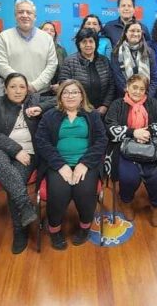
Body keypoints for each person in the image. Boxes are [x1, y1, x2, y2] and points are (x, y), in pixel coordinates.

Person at [0, 73, 53, 254]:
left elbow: (60, 101)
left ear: (27, 89)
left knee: (15, 179)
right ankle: (25, 205)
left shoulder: (34, 100)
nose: (18, 91)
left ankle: (20, 230)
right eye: (13, 87)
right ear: (5, 89)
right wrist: (15, 150)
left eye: (22, 87)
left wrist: (41, 107)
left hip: (28, 154)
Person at [35, 79, 107, 249]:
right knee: (59, 192)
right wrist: (60, 165)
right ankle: (54, 230)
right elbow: (41, 141)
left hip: (86, 163)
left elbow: (101, 140)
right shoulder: (50, 116)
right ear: (60, 97)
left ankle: (84, 228)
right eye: (66, 92)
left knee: (85, 191)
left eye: (75, 92)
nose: (70, 96)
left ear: (82, 96)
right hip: (57, 164)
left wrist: (85, 163)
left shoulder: (92, 115)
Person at [104, 74, 157, 227]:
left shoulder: (153, 103)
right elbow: (110, 128)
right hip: (124, 148)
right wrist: (133, 133)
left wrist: (146, 132)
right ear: (127, 87)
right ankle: (126, 202)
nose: (138, 91)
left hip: (150, 146)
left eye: (142, 89)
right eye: (134, 87)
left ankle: (156, 206)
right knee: (129, 177)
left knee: (156, 177)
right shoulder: (117, 105)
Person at [0, 0, 58, 94]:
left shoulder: (47, 38)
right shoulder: (4, 37)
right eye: (20, 12)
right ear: (15, 16)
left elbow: (52, 65)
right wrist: (21, 85)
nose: (25, 15)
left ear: (35, 17)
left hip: (42, 93)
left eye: (29, 12)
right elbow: (1, 65)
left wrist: (35, 86)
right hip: (14, 94)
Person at [59, 28, 115, 115]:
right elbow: (64, 87)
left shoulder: (104, 60)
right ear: (79, 44)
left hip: (101, 111)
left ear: (96, 43)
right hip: (77, 111)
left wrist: (105, 105)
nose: (88, 45)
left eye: (91, 41)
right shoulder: (69, 61)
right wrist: (79, 107)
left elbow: (111, 85)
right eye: (84, 42)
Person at [111, 21, 157, 97]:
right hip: (124, 97)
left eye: (138, 31)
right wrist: (131, 96)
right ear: (126, 33)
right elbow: (118, 78)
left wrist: (147, 96)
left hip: (146, 97)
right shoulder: (116, 52)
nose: (136, 34)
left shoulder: (149, 52)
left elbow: (154, 77)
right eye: (132, 31)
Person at [40, 21, 67, 95]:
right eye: (46, 29)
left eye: (52, 31)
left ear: (55, 35)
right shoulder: (33, 48)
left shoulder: (60, 50)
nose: (49, 32)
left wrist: (60, 84)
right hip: (36, 89)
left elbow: (65, 71)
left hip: (55, 91)